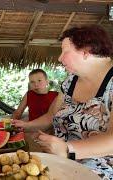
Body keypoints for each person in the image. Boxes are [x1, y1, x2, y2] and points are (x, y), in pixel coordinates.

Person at [13, 25, 113, 179]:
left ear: (86, 51)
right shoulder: (71, 80)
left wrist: (68, 149)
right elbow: (51, 116)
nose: (60, 58)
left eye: (65, 51)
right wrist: (24, 125)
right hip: (60, 165)